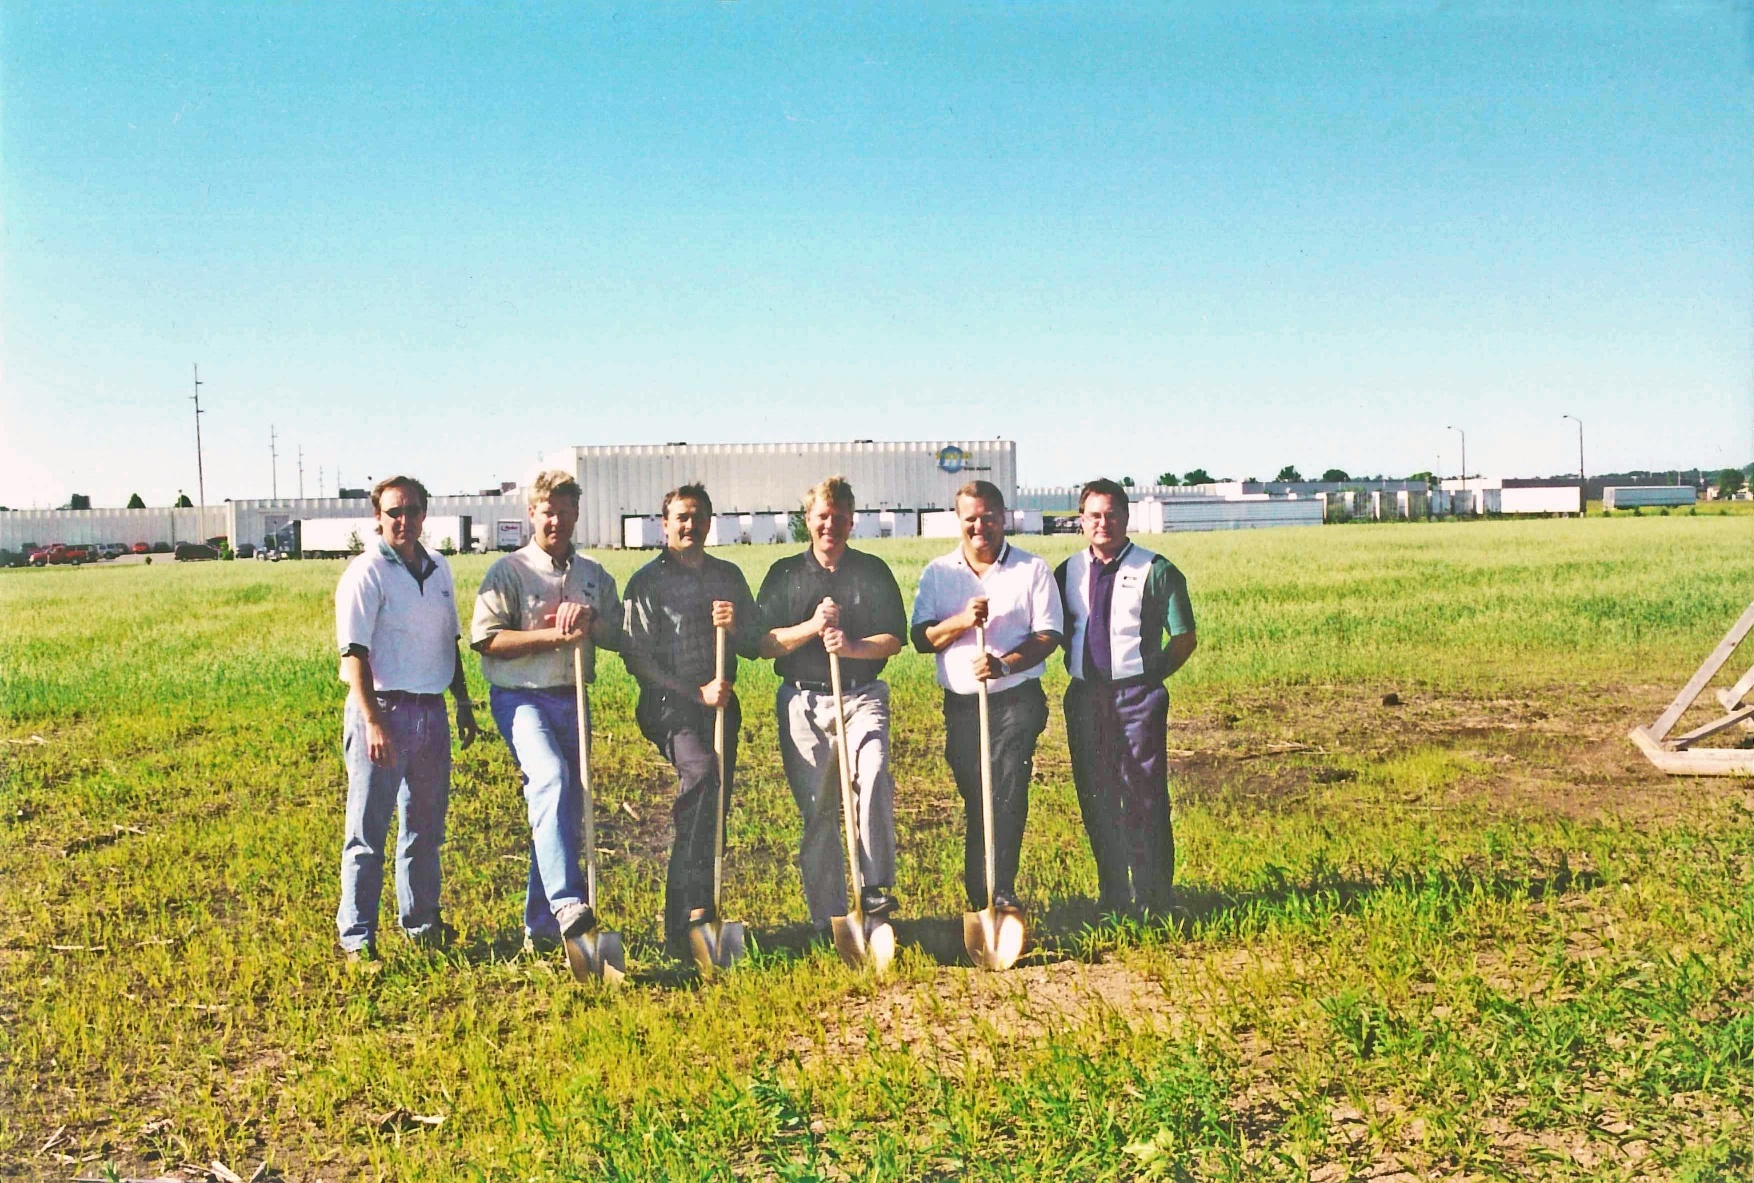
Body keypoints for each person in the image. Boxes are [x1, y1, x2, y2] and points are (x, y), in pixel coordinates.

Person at [470, 469, 622, 952]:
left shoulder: (594, 574)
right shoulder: (509, 572)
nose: (555, 520)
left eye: (564, 510)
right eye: (546, 511)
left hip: (572, 694)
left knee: (563, 809)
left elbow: (619, 635)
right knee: (551, 780)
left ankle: (541, 929)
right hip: (521, 698)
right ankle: (566, 902)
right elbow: (487, 640)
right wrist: (552, 636)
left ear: (577, 513)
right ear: (532, 514)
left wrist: (592, 620)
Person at [334, 475, 480, 962]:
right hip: (384, 712)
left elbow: (450, 642)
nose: (404, 520)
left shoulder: (439, 569)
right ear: (377, 516)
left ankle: (422, 924)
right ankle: (357, 938)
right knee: (367, 832)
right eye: (394, 511)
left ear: (424, 515)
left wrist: (462, 703)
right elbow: (353, 654)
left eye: (413, 510)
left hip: (431, 714)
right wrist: (372, 721)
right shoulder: (365, 572)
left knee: (424, 829)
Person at [758, 476, 908, 937]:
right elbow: (763, 644)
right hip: (803, 702)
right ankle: (830, 917)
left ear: (851, 521)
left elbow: (894, 639)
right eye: (822, 516)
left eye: (839, 517)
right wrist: (810, 628)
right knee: (817, 808)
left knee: (875, 772)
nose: (830, 525)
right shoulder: (784, 574)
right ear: (807, 520)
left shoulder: (872, 570)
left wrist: (851, 647)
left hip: (862, 695)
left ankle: (875, 892)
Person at [621, 484, 764, 960]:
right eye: (681, 517)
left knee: (713, 801)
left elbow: (753, 642)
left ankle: (702, 913)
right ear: (665, 524)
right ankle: (680, 916)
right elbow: (639, 661)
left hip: (722, 704)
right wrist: (695, 692)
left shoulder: (728, 575)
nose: (690, 525)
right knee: (701, 776)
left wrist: (735, 622)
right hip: (670, 705)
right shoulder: (647, 582)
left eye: (698, 517)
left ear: (709, 521)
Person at [911, 480, 1063, 918]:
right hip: (961, 705)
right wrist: (962, 620)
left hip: (1016, 700)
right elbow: (922, 639)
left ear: (1004, 517)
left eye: (989, 517)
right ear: (959, 520)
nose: (981, 526)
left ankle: (999, 892)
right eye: (971, 518)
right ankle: (981, 892)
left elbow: (1049, 634)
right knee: (977, 794)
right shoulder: (939, 573)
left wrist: (1005, 663)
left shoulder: (1032, 569)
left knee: (1006, 787)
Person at [1055, 478, 1198, 919]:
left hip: (1137, 699)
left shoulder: (1156, 569)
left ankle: (1154, 898)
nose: (1103, 523)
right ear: (1081, 521)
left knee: (1144, 795)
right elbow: (1055, 631)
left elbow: (1184, 638)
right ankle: (1113, 894)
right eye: (1094, 515)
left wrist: (1149, 678)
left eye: (1112, 514)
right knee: (1096, 797)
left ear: (1126, 517)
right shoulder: (1066, 572)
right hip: (1084, 700)